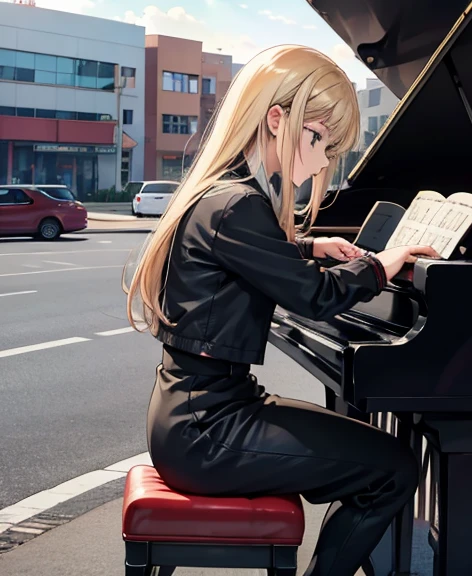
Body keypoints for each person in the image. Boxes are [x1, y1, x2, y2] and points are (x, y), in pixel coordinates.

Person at [123, 45, 439, 576]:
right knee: (393, 467)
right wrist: (381, 266)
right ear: (278, 120)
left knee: (371, 454)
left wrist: (310, 247)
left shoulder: (224, 194)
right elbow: (314, 297)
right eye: (320, 141)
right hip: (209, 430)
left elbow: (248, 258)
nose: (321, 162)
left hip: (196, 412)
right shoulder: (239, 205)